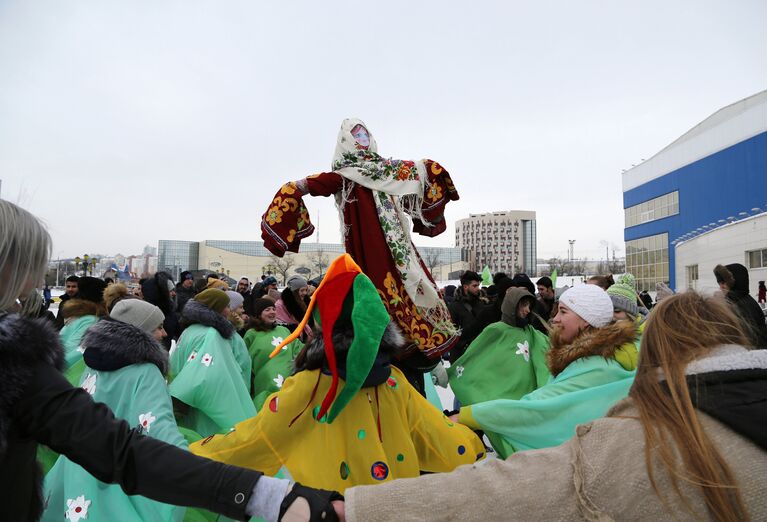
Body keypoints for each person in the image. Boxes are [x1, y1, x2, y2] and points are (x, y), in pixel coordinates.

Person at [0, 199, 342, 522]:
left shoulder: (43, 361)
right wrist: (264, 493)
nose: (31, 283)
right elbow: (126, 449)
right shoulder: (23, 365)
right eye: (28, 268)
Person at [340, 291, 767, 521]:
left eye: (563, 310)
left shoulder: (623, 407)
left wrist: (356, 509)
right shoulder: (600, 362)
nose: (552, 317)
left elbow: (542, 416)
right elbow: (490, 360)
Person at [191, 254, 484, 494]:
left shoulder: (310, 384)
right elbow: (437, 437)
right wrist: (476, 429)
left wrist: (192, 456)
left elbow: (257, 439)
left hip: (330, 509)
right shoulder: (393, 380)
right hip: (390, 507)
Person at [260, 118, 460, 370]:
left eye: (365, 136)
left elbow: (419, 173)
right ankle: (382, 344)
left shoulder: (386, 170)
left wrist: (426, 169)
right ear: (346, 142)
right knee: (374, 286)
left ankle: (414, 346)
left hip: (397, 247)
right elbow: (309, 185)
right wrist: (291, 191)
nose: (362, 141)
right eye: (356, 137)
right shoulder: (343, 176)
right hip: (366, 248)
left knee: (408, 280)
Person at [452, 284, 636, 458]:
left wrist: (469, 415)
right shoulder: (595, 359)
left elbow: (536, 408)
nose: (555, 318)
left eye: (563, 311)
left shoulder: (593, 367)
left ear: (586, 321)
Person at [42, 299, 185, 521]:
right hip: (119, 467)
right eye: (158, 327)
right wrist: (182, 458)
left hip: (79, 463)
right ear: (142, 332)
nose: (165, 333)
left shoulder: (94, 363)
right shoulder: (145, 371)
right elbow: (157, 421)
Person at [448, 288, 550, 452]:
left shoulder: (532, 333)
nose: (527, 310)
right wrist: (456, 371)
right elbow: (476, 354)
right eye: (523, 305)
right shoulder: (496, 330)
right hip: (502, 390)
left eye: (529, 305)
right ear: (511, 306)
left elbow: (547, 350)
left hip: (524, 392)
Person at [169, 289, 256, 437]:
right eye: (227, 306)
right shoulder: (212, 334)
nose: (230, 310)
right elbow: (212, 377)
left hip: (189, 406)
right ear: (217, 308)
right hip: (209, 412)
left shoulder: (189, 330)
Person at [244, 297, 304, 410]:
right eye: (267, 310)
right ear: (258, 314)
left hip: (288, 381)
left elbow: (299, 349)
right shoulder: (251, 334)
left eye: (273, 309)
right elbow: (244, 360)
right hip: (264, 383)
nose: (272, 312)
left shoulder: (284, 330)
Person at [714, 263, 767, 348]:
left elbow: (746, 340)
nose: (721, 287)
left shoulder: (742, 305)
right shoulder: (737, 301)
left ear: (736, 281)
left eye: (723, 282)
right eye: (719, 283)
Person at [605, 273, 644, 371]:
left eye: (617, 311)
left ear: (631, 314)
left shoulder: (647, 333)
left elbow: (632, 365)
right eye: (607, 310)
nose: (611, 315)